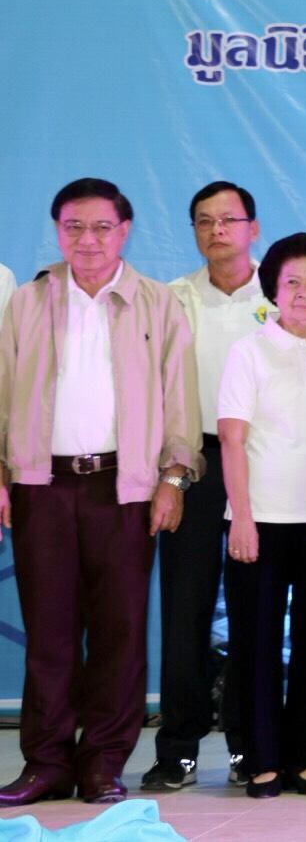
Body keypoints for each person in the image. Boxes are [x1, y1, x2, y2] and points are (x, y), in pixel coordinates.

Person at [0, 178, 199, 806]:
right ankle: (46, 764)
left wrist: (172, 479)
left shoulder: (158, 304)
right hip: (42, 487)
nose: (87, 240)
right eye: (74, 227)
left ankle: (103, 764)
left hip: (126, 489)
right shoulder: (27, 302)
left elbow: (180, 401)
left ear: (125, 231)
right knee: (49, 634)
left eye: (101, 227)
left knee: (120, 632)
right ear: (58, 232)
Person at [144, 181, 275, 791]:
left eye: (229, 220)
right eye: (204, 221)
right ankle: (178, 748)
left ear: (253, 228)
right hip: (192, 465)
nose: (217, 230)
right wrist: (170, 474)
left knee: (255, 609)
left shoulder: (282, 295)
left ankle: (252, 745)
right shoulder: (171, 299)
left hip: (263, 467)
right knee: (185, 609)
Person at [218, 233, 306, 798]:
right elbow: (231, 439)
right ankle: (262, 760)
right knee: (256, 642)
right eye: (292, 281)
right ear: (273, 287)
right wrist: (242, 518)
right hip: (261, 517)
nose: (304, 292)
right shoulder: (248, 351)